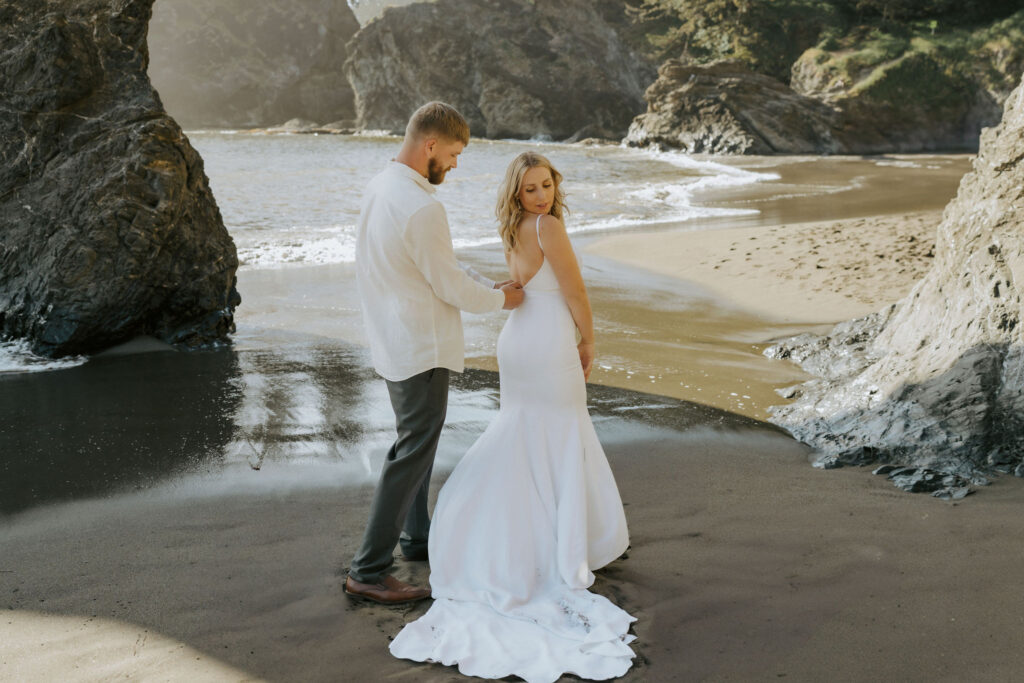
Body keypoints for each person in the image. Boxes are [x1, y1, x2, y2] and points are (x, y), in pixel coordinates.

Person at [389, 152, 635, 682]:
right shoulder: (548, 227)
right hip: (544, 342)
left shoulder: (514, 226)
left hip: (517, 337)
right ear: (517, 193)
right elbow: (574, 292)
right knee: (561, 434)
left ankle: (504, 530)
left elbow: (518, 288)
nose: (541, 196)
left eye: (546, 185)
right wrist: (589, 339)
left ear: (553, 185)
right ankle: (558, 541)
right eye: (530, 188)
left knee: (524, 433)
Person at [345, 102, 525, 605]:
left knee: (413, 444)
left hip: (393, 338)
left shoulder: (382, 187)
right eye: (452, 153)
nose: (453, 164)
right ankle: (369, 570)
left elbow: (432, 267)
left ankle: (417, 538)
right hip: (419, 345)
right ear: (429, 146)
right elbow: (446, 283)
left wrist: (486, 282)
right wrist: (500, 299)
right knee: (412, 452)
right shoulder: (423, 207)